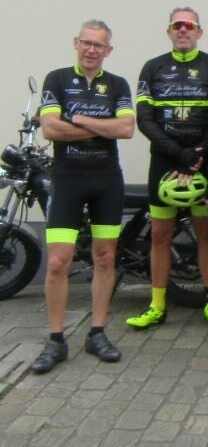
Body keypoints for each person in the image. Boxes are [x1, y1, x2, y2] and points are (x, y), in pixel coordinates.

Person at [31, 20, 135, 373]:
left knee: (105, 259)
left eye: (99, 45)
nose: (92, 50)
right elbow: (49, 128)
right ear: (76, 43)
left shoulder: (117, 84)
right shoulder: (57, 79)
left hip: (107, 179)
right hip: (67, 179)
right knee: (58, 262)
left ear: (108, 50)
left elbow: (126, 128)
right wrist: (99, 127)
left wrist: (75, 119)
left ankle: (97, 332)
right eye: (86, 43)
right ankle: (56, 339)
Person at [126, 7, 208, 332]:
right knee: (160, 235)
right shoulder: (152, 67)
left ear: (200, 32)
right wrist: (178, 154)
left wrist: (198, 155)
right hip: (165, 161)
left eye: (189, 25)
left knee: (205, 233)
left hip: (200, 160)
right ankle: (157, 305)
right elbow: (145, 120)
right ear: (169, 31)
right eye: (177, 25)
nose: (183, 30)